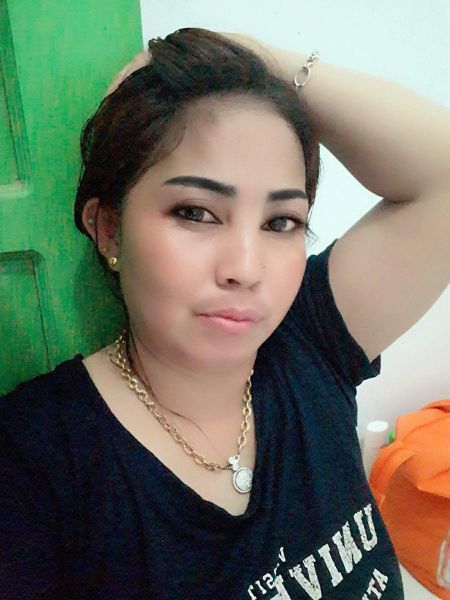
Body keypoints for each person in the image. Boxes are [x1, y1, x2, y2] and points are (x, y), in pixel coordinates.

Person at [2, 26, 449, 599]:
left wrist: (262, 59)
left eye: (281, 222)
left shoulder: (310, 344)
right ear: (109, 228)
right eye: (196, 212)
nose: (244, 268)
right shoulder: (35, 462)